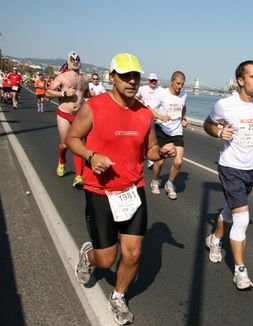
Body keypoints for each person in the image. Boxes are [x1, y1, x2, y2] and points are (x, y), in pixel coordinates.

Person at [66, 53, 176, 325]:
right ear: (111, 77)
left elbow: (149, 148)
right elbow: (73, 138)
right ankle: (89, 254)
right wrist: (91, 157)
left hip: (132, 189)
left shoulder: (143, 113)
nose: (131, 81)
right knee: (106, 260)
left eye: (135, 76)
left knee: (133, 253)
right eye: (125, 76)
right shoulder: (94, 107)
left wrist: (159, 151)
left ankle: (118, 296)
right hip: (100, 191)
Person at [203, 60, 253, 290]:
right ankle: (240, 271)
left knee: (230, 210)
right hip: (230, 167)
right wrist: (219, 131)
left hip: (252, 168)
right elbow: (208, 125)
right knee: (242, 219)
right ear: (241, 80)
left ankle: (215, 240)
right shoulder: (225, 105)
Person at [46, 51, 90, 188]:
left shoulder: (85, 79)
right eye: (72, 59)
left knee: (78, 145)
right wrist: (63, 93)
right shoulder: (62, 77)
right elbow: (48, 92)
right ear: (68, 61)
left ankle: (78, 176)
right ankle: (62, 160)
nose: (75, 61)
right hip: (64, 113)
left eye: (77, 59)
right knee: (65, 144)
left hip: (79, 115)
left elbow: (86, 95)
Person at [147, 71, 187, 199]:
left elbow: (184, 107)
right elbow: (149, 108)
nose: (180, 87)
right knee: (160, 162)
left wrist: (183, 118)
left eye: (182, 84)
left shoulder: (184, 95)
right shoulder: (161, 94)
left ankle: (169, 184)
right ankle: (155, 180)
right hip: (162, 130)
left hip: (177, 131)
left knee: (179, 161)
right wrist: (160, 116)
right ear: (172, 81)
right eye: (178, 83)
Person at [136, 73, 163, 170]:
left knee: (153, 139)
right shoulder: (143, 89)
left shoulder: (161, 91)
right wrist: (139, 102)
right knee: (143, 138)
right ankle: (142, 154)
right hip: (143, 117)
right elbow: (134, 97)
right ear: (148, 81)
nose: (153, 82)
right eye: (152, 80)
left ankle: (151, 158)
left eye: (155, 80)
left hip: (156, 119)